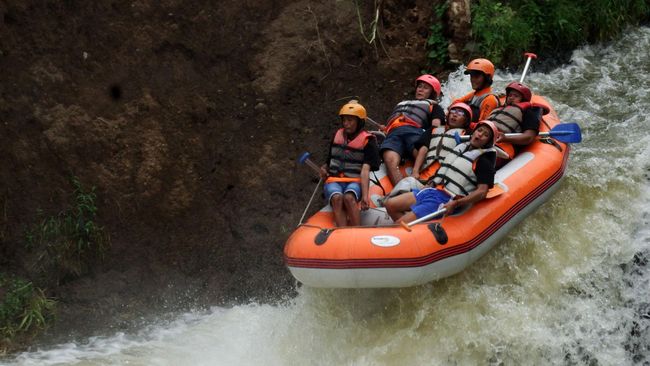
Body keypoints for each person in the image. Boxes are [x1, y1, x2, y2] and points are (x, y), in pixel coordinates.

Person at [384, 121, 498, 224]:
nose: (480, 135)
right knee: (390, 205)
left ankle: (405, 226)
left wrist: (457, 203)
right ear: (474, 132)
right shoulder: (460, 148)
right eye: (479, 130)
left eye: (485, 135)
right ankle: (415, 229)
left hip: (445, 199)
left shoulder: (484, 161)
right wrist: (431, 184)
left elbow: (482, 192)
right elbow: (444, 170)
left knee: (398, 225)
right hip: (432, 190)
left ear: (488, 142)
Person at [320, 101, 380, 227]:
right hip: (334, 180)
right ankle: (343, 232)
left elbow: (365, 170)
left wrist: (365, 196)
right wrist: (324, 168)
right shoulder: (337, 135)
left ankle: (356, 231)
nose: (346, 124)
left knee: (349, 198)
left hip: (355, 180)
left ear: (359, 122)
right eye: (344, 120)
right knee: (337, 199)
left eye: (350, 120)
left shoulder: (368, 141)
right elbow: (330, 159)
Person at [378, 75, 446, 186]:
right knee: (389, 160)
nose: (420, 89)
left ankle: (420, 177)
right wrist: (385, 128)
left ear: (432, 93)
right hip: (393, 133)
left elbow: (436, 126)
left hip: (414, 131)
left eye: (425, 88)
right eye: (419, 86)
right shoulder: (402, 104)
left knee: (419, 152)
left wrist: (428, 136)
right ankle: (400, 189)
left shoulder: (433, 106)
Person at [411, 102, 473, 181]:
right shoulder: (434, 129)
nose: (455, 115)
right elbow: (423, 148)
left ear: (466, 120)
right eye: (453, 111)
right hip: (425, 172)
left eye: (460, 113)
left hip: (445, 176)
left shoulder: (467, 134)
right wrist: (415, 171)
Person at [486, 81, 546, 162]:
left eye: (516, 96)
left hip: (503, 146)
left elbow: (529, 137)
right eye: (510, 95)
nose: (511, 97)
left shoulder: (529, 111)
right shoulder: (497, 109)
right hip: (484, 140)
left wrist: (505, 138)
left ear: (523, 100)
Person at [453, 58, 500, 123]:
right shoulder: (474, 94)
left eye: (476, 76)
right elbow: (455, 103)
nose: (473, 80)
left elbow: (482, 125)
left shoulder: (490, 99)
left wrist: (463, 122)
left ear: (487, 79)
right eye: (471, 76)